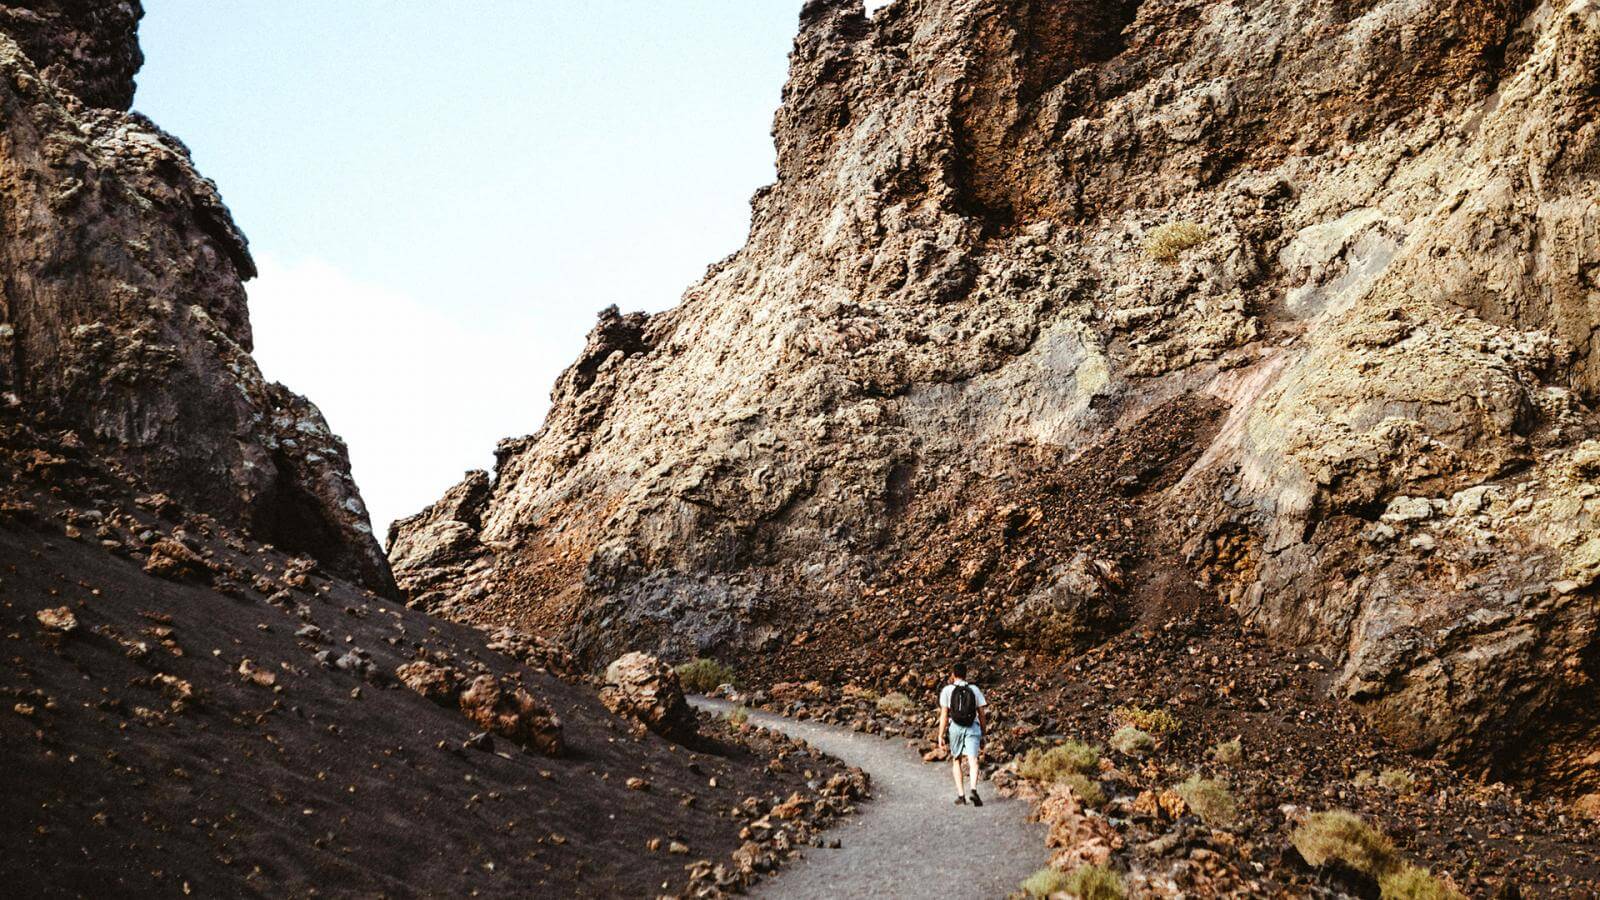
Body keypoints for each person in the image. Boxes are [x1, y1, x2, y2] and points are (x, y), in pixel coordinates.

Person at [937, 661, 988, 806]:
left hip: (955, 728)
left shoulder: (947, 690)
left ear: (953, 675)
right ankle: (973, 789)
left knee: (956, 760)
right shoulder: (974, 689)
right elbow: (982, 714)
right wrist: (983, 733)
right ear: (966, 674)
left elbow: (944, 715)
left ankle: (961, 795)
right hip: (973, 727)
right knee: (973, 760)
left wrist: (941, 735)